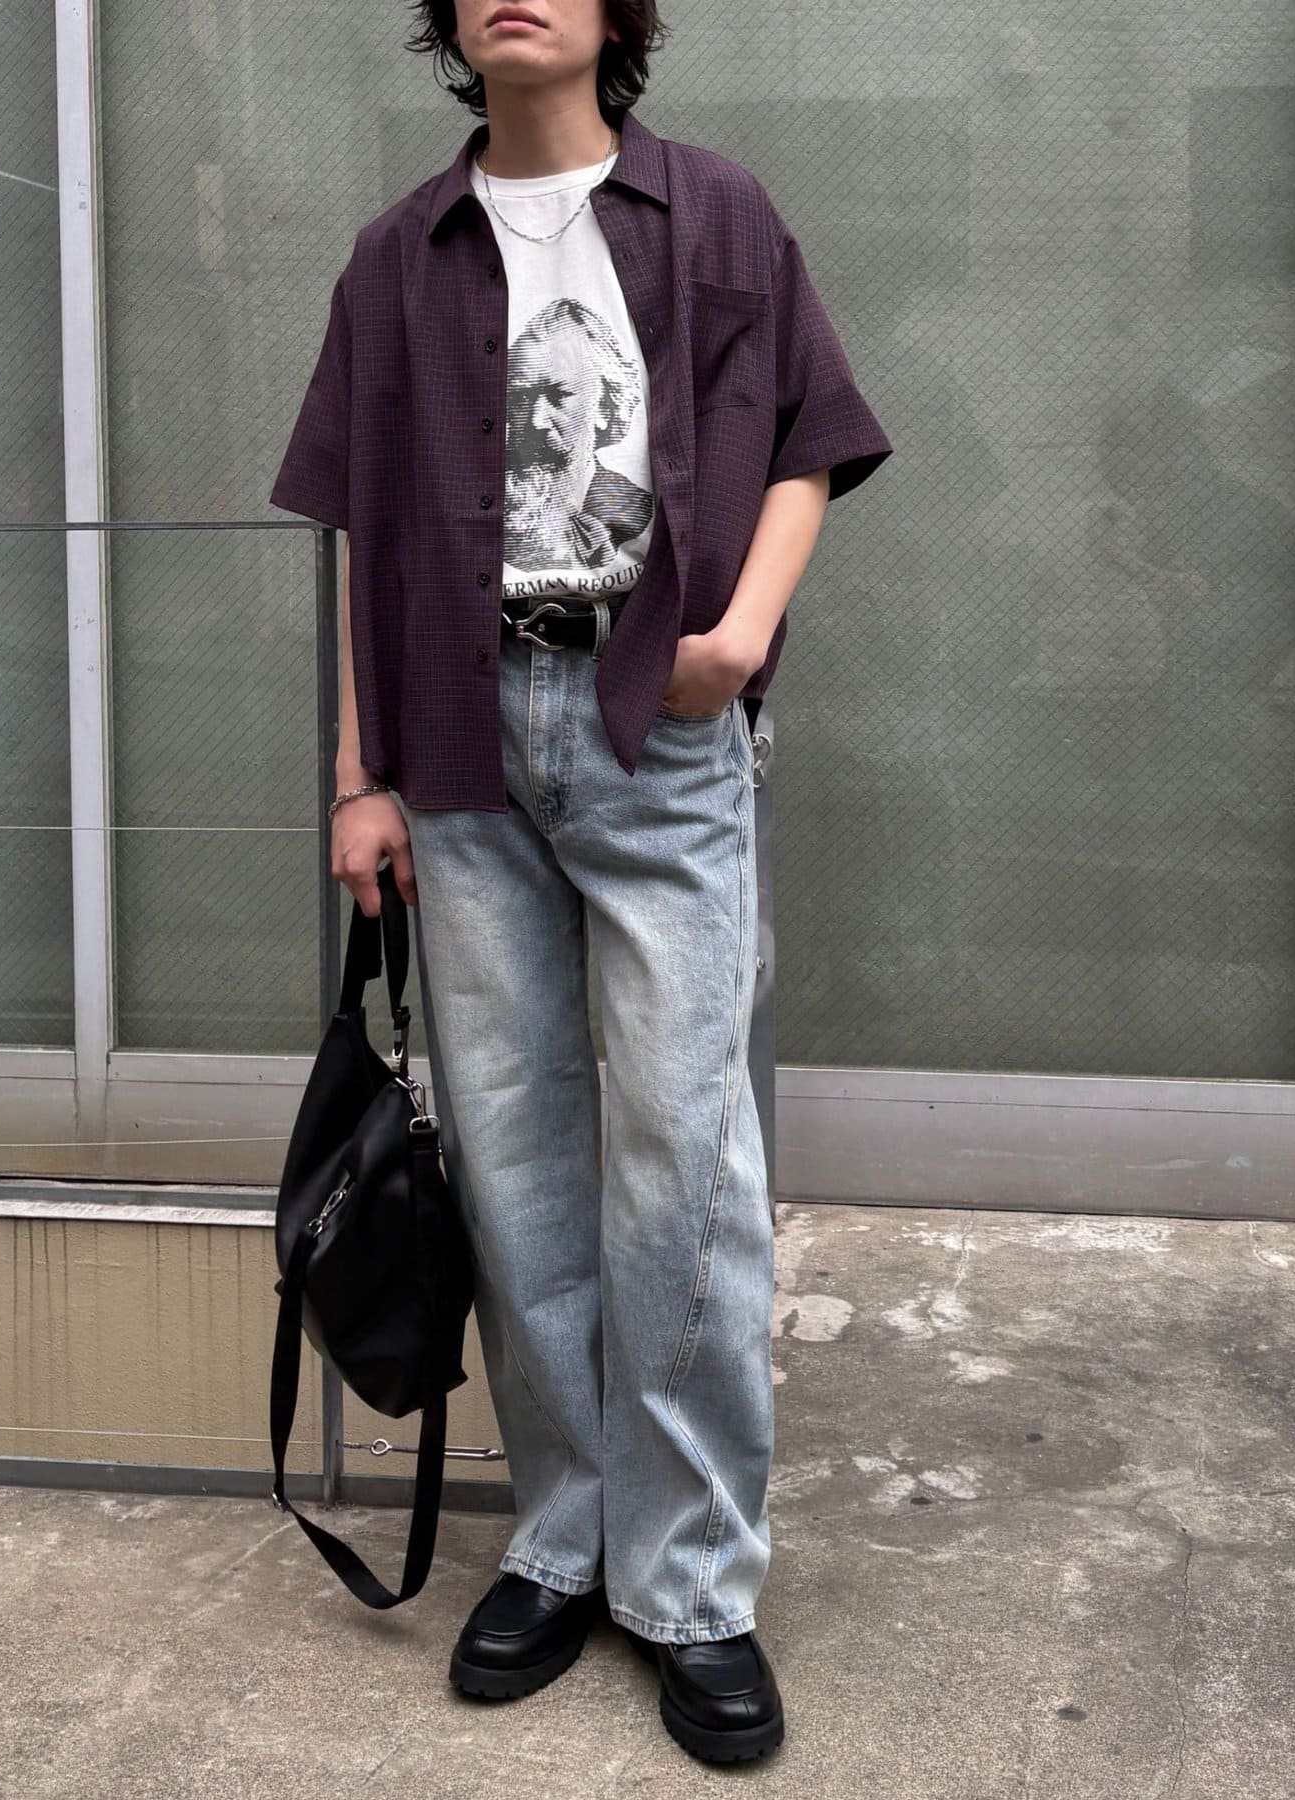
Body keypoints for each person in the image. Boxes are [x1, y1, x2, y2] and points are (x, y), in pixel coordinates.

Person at [269, 0, 893, 1766]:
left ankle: (689, 1581)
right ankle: (562, 1537)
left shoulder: (715, 213)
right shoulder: (396, 257)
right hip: (459, 739)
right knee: (519, 1154)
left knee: (684, 1161)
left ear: (619, 15)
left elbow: (809, 439)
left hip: (656, 728)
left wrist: (739, 639)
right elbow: (362, 528)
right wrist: (360, 775)